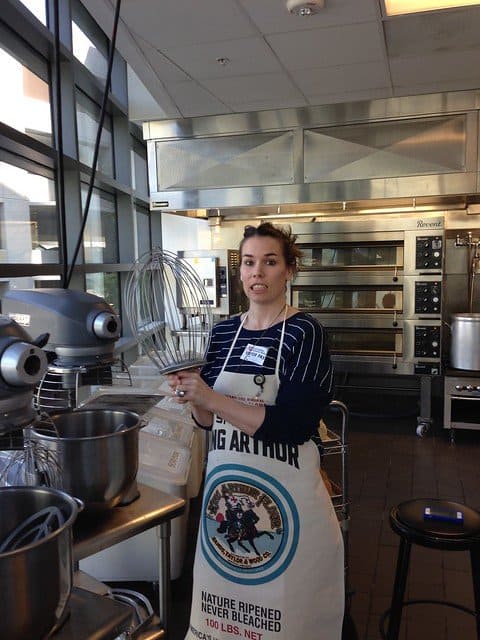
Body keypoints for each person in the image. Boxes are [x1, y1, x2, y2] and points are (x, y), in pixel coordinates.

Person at [168, 222, 345, 640]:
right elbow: (207, 424)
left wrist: (213, 399)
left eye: (269, 262)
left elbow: (295, 425)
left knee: (288, 616)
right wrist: (193, 396)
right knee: (223, 616)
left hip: (290, 502)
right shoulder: (223, 332)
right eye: (249, 263)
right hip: (227, 495)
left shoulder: (305, 332)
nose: (257, 273)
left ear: (288, 270)